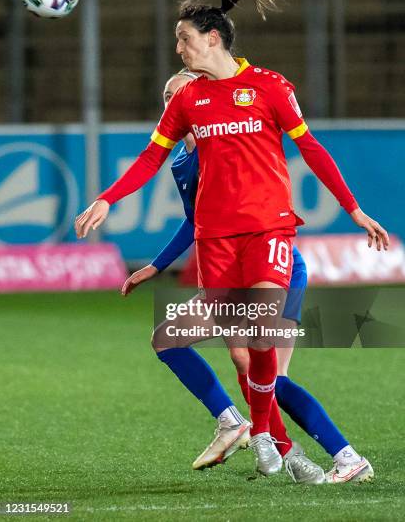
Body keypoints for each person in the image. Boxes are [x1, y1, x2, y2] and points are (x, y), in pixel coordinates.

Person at [75, 0, 389, 478]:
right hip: (217, 241)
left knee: (260, 337)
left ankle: (274, 437)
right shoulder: (187, 106)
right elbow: (151, 157)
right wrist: (108, 197)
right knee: (236, 355)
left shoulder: (269, 87)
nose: (177, 50)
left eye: (184, 39)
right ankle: (276, 442)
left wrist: (354, 210)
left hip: (269, 230)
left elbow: (312, 149)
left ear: (213, 38)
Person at [122, 70, 375, 484]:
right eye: (167, 95)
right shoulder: (184, 159)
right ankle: (239, 425)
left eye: (181, 91)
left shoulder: (221, 144)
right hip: (230, 269)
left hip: (274, 265)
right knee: (171, 338)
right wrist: (157, 265)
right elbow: (196, 221)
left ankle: (338, 456)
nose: (173, 101)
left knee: (266, 373)